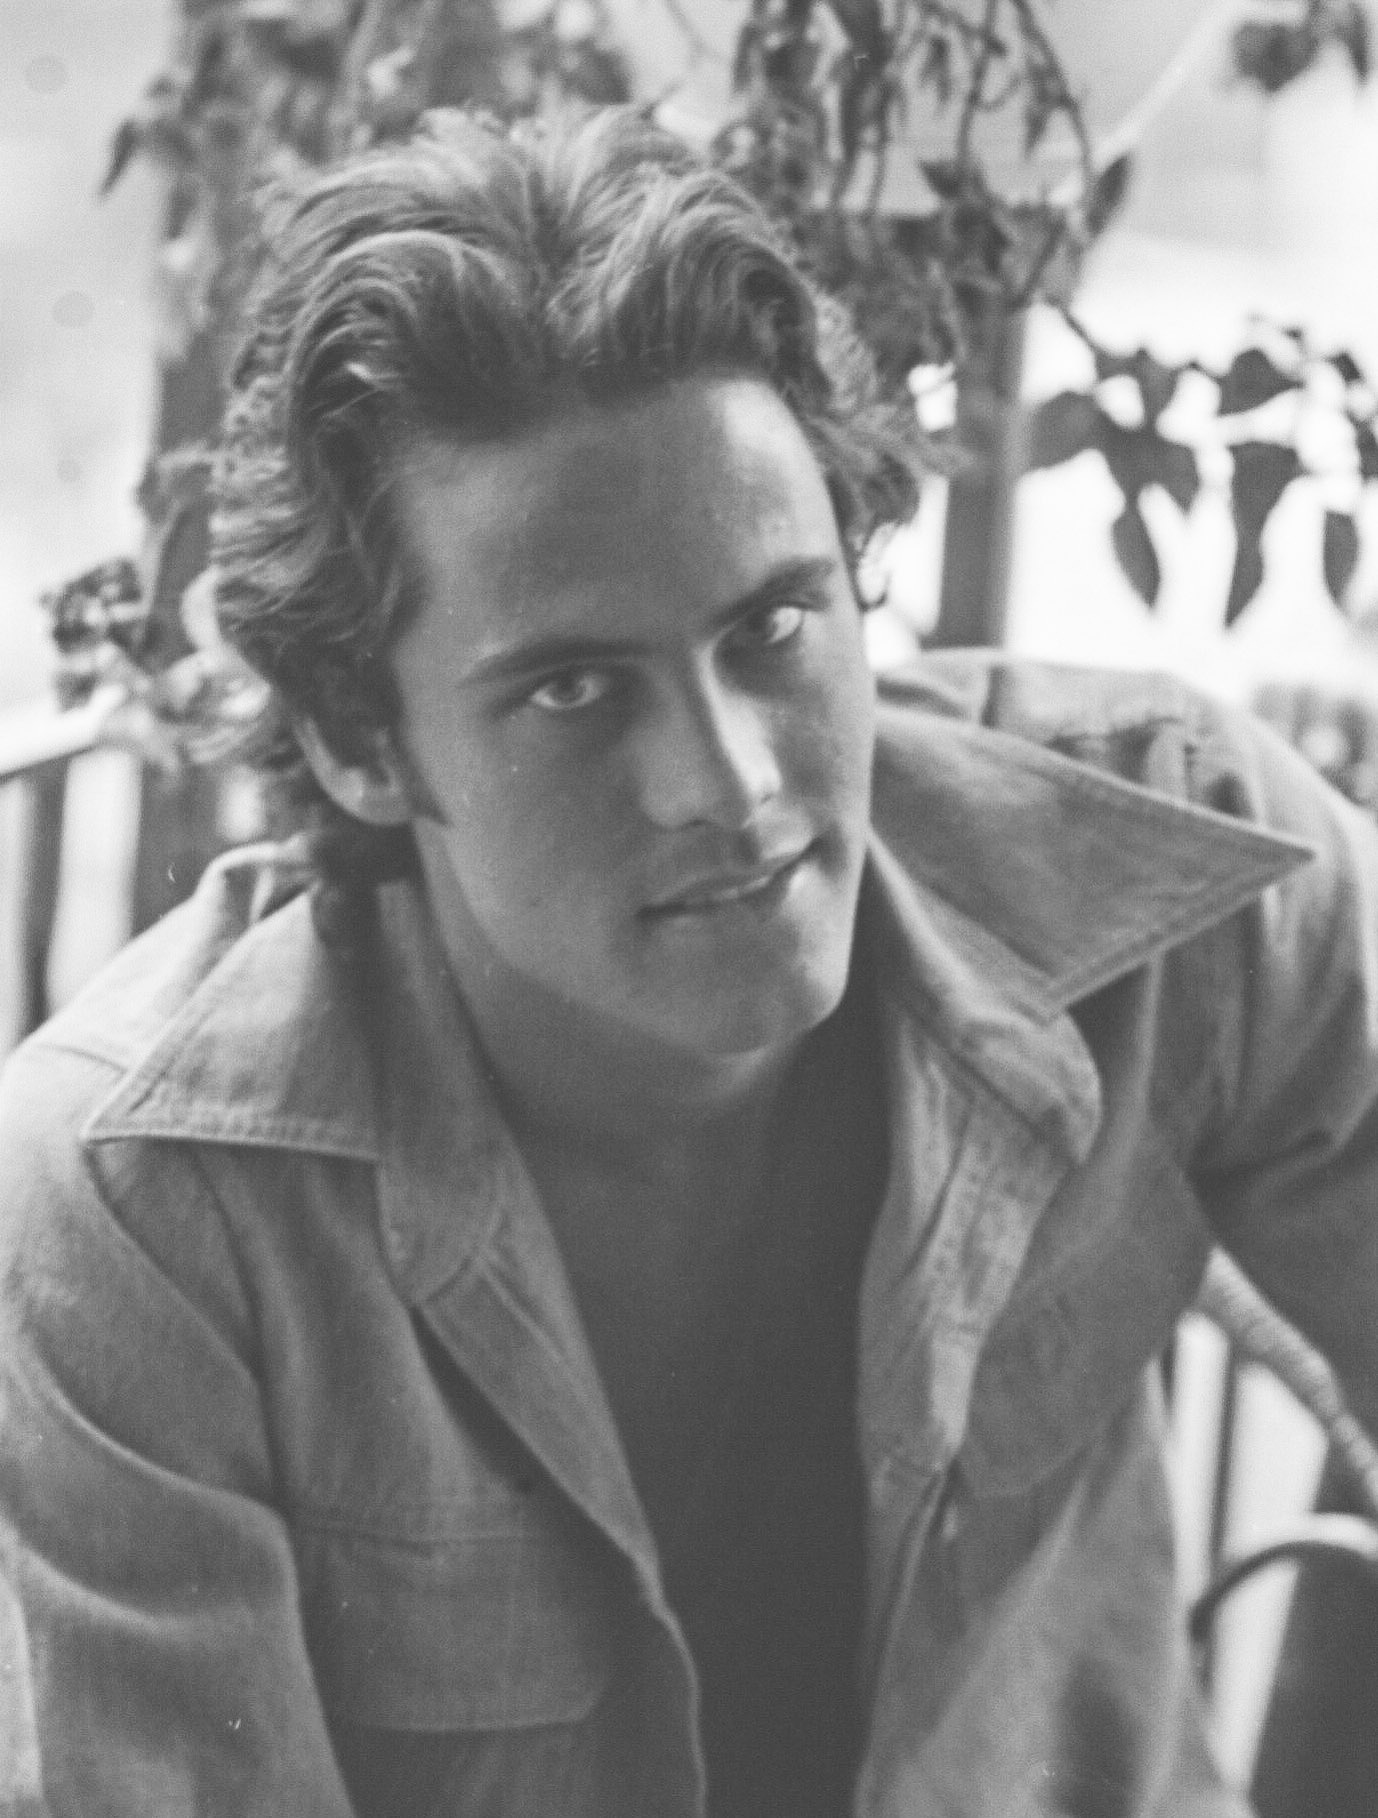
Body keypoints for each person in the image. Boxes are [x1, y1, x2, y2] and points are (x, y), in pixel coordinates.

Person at [1, 105, 1376, 1818]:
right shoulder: (134, 1211)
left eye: (771, 625)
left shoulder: (1180, 859)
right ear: (358, 739)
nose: (728, 785)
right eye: (572, 688)